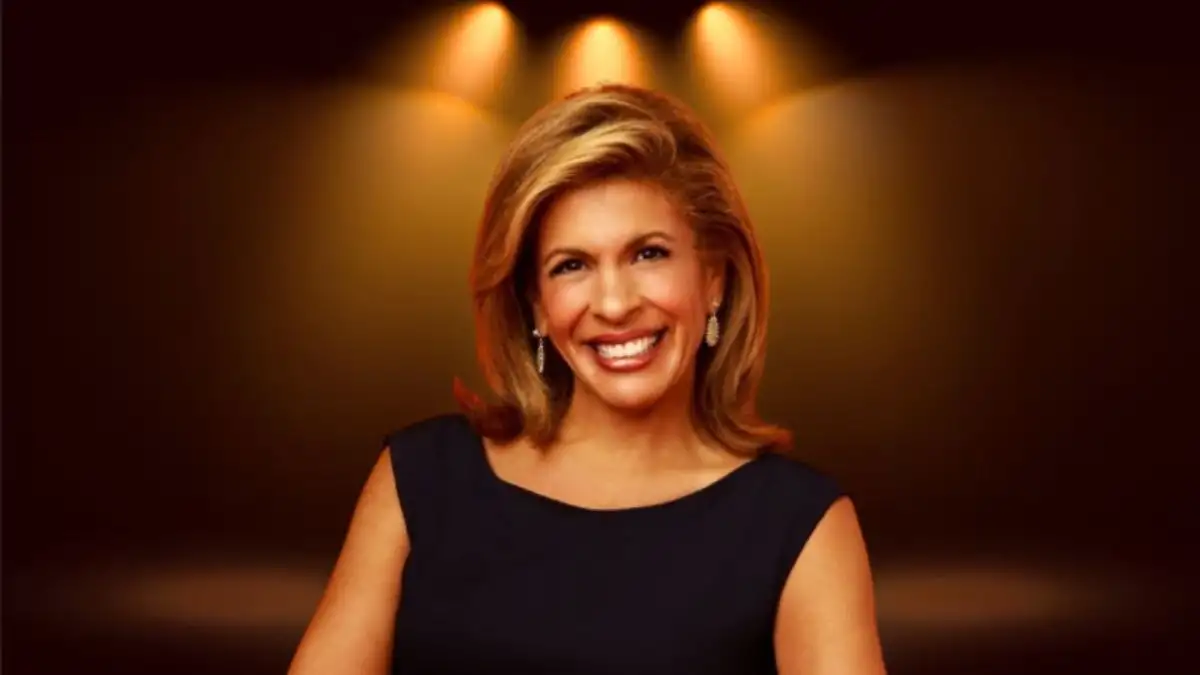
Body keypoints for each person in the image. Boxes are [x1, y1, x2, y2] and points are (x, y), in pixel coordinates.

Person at [288, 84, 886, 675]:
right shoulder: (419, 478)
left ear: (714, 279)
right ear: (537, 304)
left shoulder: (800, 523)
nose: (615, 303)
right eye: (571, 266)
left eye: (648, 254)